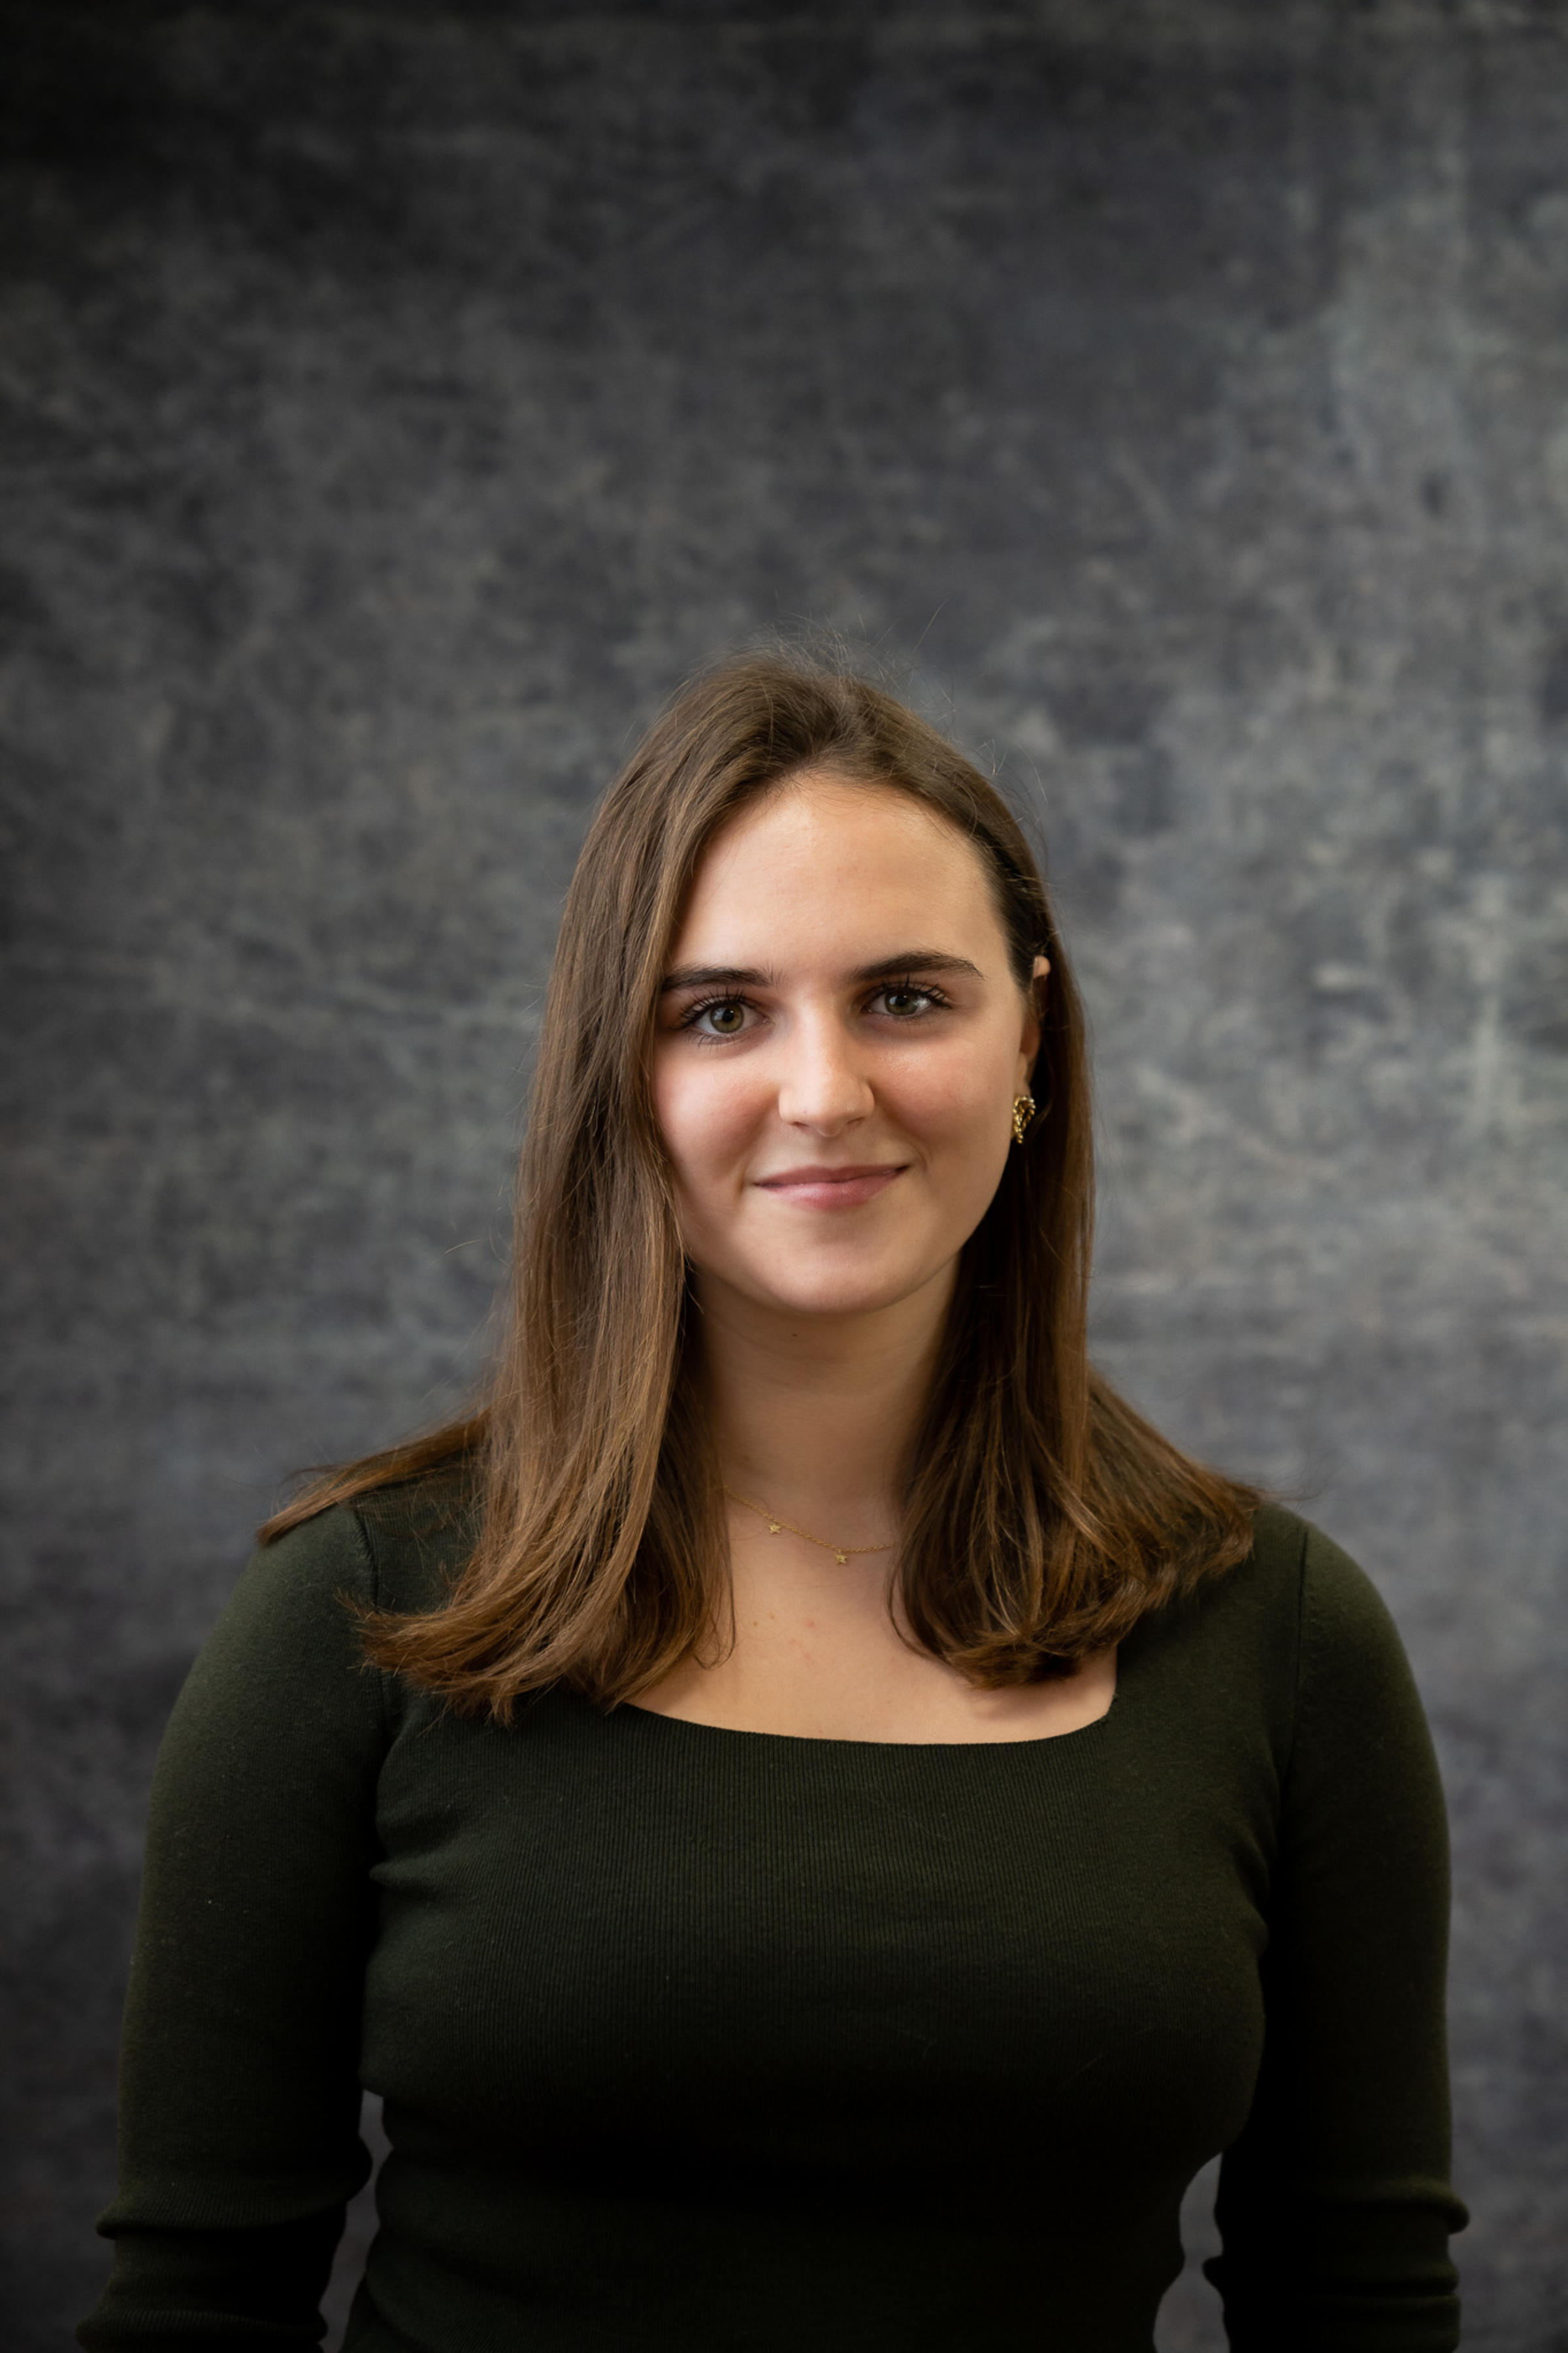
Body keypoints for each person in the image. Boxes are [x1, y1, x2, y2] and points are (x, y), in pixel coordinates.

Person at [80, 657, 1465, 2352]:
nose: (825, 1092)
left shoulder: (1281, 1635)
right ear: (621, 1067)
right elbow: (196, 2311)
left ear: (1030, 1030)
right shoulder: (359, 1614)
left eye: (906, 997)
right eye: (721, 1010)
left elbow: (1359, 2301)